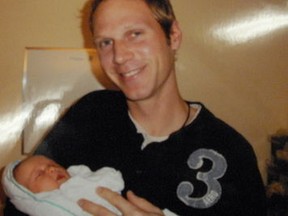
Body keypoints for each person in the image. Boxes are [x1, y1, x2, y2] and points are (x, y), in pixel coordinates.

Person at [4, 0, 267, 215]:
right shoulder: (89, 115)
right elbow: (21, 201)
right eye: (106, 42)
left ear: (173, 36)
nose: (119, 56)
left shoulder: (232, 152)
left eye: (135, 34)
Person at [2, 155, 124, 216]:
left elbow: (113, 179)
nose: (51, 169)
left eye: (51, 163)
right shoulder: (51, 206)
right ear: (29, 195)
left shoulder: (81, 177)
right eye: (39, 174)